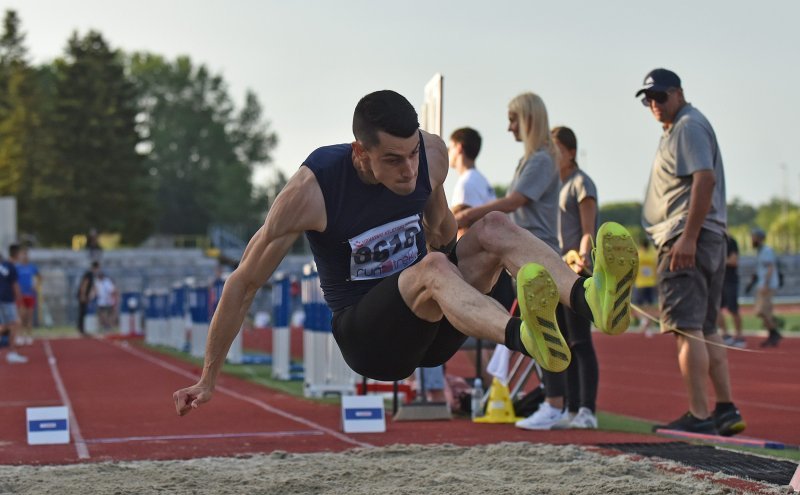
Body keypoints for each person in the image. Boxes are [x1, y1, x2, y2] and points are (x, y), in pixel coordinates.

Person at [172, 90, 638, 417]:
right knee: (431, 267)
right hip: (369, 340)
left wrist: (450, 228)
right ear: (361, 153)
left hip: (432, 326)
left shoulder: (429, 159)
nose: (408, 169)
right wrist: (208, 377)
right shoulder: (311, 192)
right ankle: (527, 338)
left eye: (413, 154)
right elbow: (243, 283)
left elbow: (444, 233)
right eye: (393, 160)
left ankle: (586, 298)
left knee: (493, 226)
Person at [637, 68, 745, 436]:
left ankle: (700, 415)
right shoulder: (682, 127)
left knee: (688, 329)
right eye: (647, 99)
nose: (653, 104)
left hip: (688, 238)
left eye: (660, 96)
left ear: (678, 94)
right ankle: (726, 409)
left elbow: (705, 178)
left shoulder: (687, 126)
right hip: (706, 236)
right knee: (708, 328)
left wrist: (687, 238)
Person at [455, 92, 565, 430]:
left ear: (529, 119)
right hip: (530, 254)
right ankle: (560, 403)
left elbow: (515, 200)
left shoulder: (542, 159)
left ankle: (555, 404)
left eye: (513, 119)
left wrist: (469, 215)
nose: (508, 127)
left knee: (546, 330)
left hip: (538, 253)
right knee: (546, 330)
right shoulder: (533, 159)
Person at [447, 126, 512, 386]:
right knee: (487, 334)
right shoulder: (481, 180)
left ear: (459, 147)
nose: (448, 152)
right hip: (495, 266)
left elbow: (466, 230)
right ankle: (494, 390)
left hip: (482, 267)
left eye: (450, 147)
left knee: (479, 331)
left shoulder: (467, 184)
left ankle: (493, 392)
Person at [550, 126, 600, 429]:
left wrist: (582, 260)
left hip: (576, 272)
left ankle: (587, 410)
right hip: (555, 270)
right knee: (564, 343)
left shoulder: (582, 184)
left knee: (580, 341)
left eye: (555, 150)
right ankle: (569, 408)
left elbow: (588, 230)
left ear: (570, 151)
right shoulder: (553, 186)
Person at [750, 227, 781, 347]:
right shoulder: (760, 251)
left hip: (767, 286)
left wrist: (766, 284)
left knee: (762, 311)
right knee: (762, 312)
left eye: (754, 237)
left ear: (759, 238)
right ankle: (773, 332)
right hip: (762, 284)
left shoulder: (766, 251)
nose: (752, 239)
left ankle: (774, 332)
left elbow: (770, 268)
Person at [0, 244, 28, 363]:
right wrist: (20, 300)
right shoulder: (10, 266)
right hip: (6, 299)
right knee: (14, 323)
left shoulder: (5, 265)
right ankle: (12, 352)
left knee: (6, 324)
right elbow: (14, 285)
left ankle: (11, 351)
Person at [718, 232, 746, 348]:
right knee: (716, 308)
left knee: (733, 308)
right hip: (717, 280)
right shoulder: (712, 240)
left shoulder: (730, 241)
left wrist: (717, 261)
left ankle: (739, 336)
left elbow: (734, 261)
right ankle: (725, 334)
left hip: (730, 281)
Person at [11, 245, 41, 345]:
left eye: (26, 254)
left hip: (30, 294)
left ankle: (29, 336)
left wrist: (36, 286)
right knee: (21, 316)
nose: (24, 256)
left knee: (29, 316)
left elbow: (39, 277)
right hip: (20, 295)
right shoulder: (17, 267)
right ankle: (20, 336)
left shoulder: (32, 267)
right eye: (23, 254)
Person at [633, 237, 658, 337]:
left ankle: (644, 321)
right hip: (651, 283)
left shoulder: (639, 254)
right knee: (650, 307)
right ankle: (648, 328)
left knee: (637, 307)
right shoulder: (653, 255)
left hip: (640, 284)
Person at [77, 261, 100, 336]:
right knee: (82, 312)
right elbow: (84, 284)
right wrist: (83, 295)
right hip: (82, 295)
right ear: (95, 268)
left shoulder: (92, 275)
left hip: (86, 296)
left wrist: (92, 294)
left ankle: (82, 329)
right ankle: (81, 329)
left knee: (84, 312)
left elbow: (92, 287)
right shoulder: (88, 274)